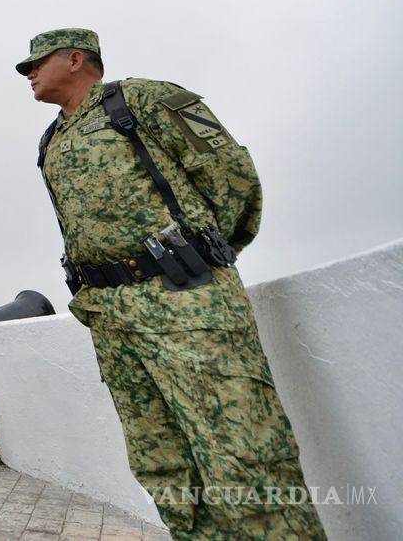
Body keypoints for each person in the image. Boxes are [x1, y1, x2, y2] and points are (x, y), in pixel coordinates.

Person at [19, 28, 326, 540]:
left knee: (243, 453)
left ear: (76, 59)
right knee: (162, 463)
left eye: (36, 62)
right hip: (111, 315)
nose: (28, 73)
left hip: (187, 304)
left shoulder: (142, 99)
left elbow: (231, 176)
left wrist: (198, 257)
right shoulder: (51, 140)